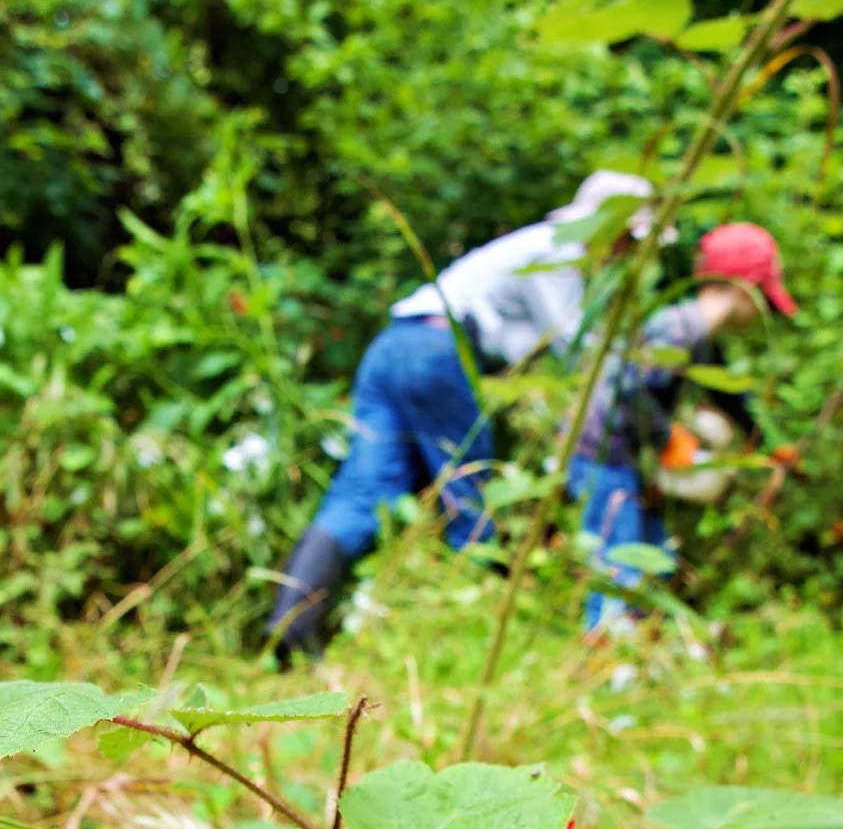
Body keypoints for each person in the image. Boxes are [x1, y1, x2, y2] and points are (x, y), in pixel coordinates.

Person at [268, 170, 658, 656]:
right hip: (437, 351)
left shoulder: (530, 244)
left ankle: (289, 631)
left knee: (361, 495)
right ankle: (474, 637)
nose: (627, 253)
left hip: (393, 343)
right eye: (630, 239)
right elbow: (576, 347)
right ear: (611, 227)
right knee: (469, 496)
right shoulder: (559, 250)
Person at [569, 221, 799, 633]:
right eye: (762, 297)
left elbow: (731, 398)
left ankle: (637, 654)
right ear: (744, 288)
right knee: (618, 563)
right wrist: (667, 437)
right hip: (603, 456)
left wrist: (768, 444)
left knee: (651, 556)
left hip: (627, 460)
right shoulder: (677, 329)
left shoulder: (699, 336)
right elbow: (628, 387)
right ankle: (605, 656)